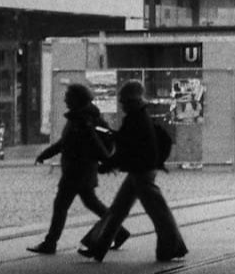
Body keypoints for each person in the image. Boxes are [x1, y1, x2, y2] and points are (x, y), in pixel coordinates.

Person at [78, 79, 186, 263]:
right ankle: (97, 245)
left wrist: (109, 164)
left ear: (131, 100)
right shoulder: (139, 116)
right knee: (121, 210)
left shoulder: (135, 119)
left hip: (141, 171)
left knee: (154, 211)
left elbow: (128, 148)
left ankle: (171, 246)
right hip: (142, 169)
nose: (122, 105)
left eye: (124, 101)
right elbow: (130, 145)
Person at [31, 83, 121, 255]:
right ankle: (119, 231)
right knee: (90, 203)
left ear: (76, 99)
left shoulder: (82, 119)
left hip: (77, 170)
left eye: (68, 96)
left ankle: (50, 243)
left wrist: (107, 162)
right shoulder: (81, 116)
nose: (65, 99)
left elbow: (92, 142)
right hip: (82, 170)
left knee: (61, 205)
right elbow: (65, 143)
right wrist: (45, 154)